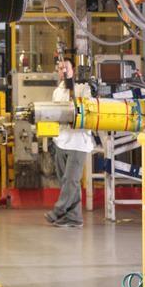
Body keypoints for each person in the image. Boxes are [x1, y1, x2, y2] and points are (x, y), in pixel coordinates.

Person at [45, 60, 93, 229]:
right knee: (66, 181)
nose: (63, 71)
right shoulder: (57, 91)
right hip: (61, 141)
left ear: (73, 70)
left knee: (71, 180)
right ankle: (74, 217)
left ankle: (58, 211)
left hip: (78, 143)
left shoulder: (83, 89)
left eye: (66, 68)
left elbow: (85, 109)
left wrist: (73, 88)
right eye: (60, 69)